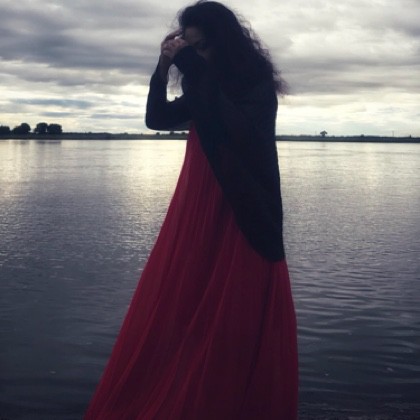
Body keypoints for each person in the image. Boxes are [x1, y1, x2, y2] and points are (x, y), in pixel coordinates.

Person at [84, 1, 298, 419]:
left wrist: (188, 63)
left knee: (235, 308)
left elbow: (233, 127)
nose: (197, 56)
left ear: (224, 42)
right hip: (199, 206)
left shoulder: (254, 85)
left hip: (241, 209)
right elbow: (156, 119)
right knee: (190, 302)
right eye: (192, 48)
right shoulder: (203, 86)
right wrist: (163, 68)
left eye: (202, 47)